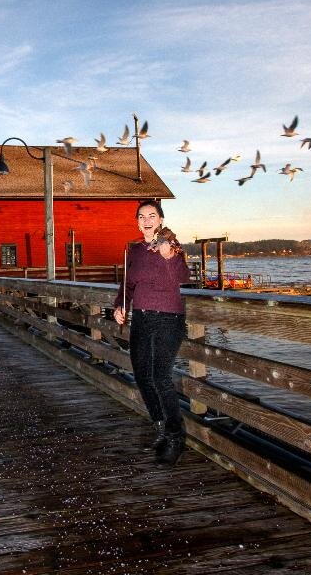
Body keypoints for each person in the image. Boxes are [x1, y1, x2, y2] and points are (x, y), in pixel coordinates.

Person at [113, 199, 192, 466]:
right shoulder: (133, 250)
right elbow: (128, 285)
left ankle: (175, 436)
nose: (146, 220)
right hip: (142, 319)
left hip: (168, 319)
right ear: (137, 221)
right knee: (143, 376)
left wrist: (169, 256)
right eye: (141, 216)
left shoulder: (171, 246)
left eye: (152, 215)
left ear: (160, 219)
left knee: (160, 377)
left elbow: (183, 277)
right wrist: (119, 306)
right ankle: (162, 428)